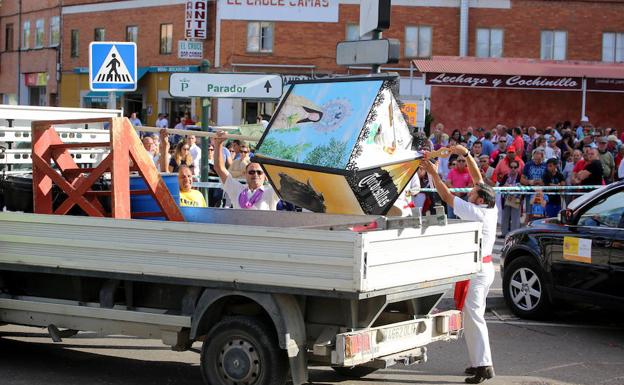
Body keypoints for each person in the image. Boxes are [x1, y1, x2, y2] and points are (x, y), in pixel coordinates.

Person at [421, 145, 497, 384]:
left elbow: (446, 196)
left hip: (478, 271)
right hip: (483, 269)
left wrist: (434, 173)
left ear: (480, 199)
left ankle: (484, 365)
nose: (469, 192)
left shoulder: (476, 212)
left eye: (473, 192)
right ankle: (478, 362)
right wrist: (466, 155)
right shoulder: (489, 207)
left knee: (474, 317)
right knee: (473, 317)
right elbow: (479, 179)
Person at [213, 131, 279, 210]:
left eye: (259, 172)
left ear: (265, 176)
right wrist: (218, 143)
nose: (255, 174)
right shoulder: (237, 189)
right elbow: (219, 168)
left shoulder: (271, 192)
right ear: (245, 175)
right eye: (251, 172)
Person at [501, 160, 522, 238]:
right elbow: (500, 186)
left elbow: (523, 187)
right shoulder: (506, 176)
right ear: (509, 168)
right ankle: (504, 233)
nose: (513, 169)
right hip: (506, 198)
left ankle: (515, 234)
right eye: (511, 167)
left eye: (515, 167)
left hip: (516, 199)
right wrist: (504, 186)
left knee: (515, 217)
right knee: (505, 216)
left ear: (517, 168)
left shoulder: (520, 176)